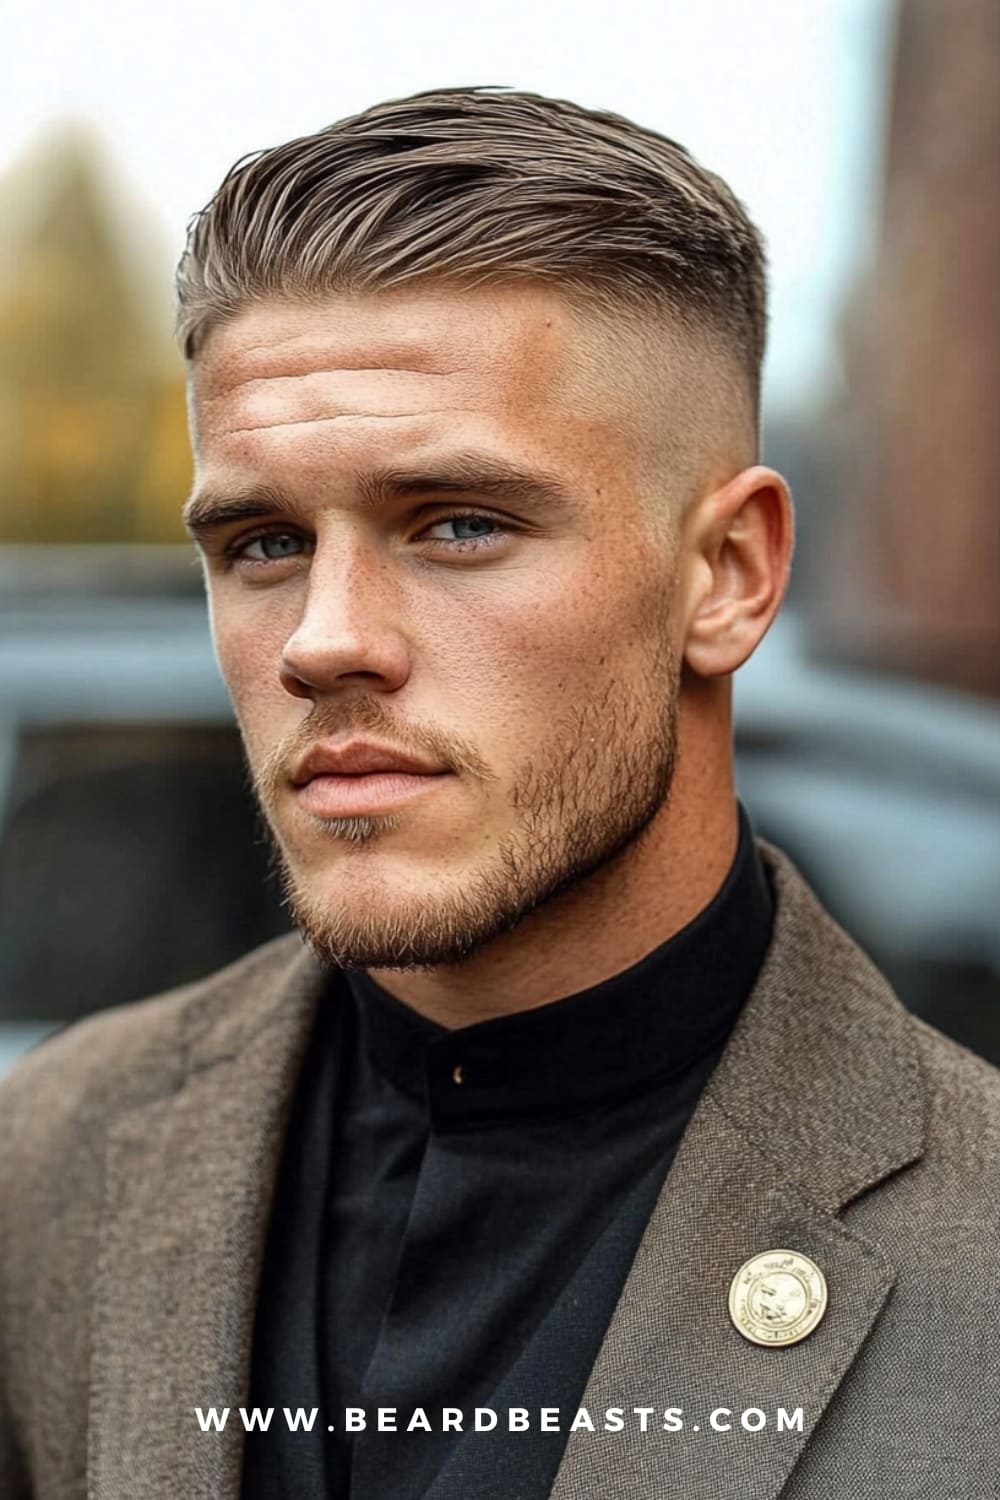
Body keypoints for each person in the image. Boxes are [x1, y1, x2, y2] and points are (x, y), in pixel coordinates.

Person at [1, 87, 998, 1500]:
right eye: (264, 541)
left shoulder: (979, 1255)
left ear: (728, 575)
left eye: (460, 523)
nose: (326, 637)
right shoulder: (51, 1168)